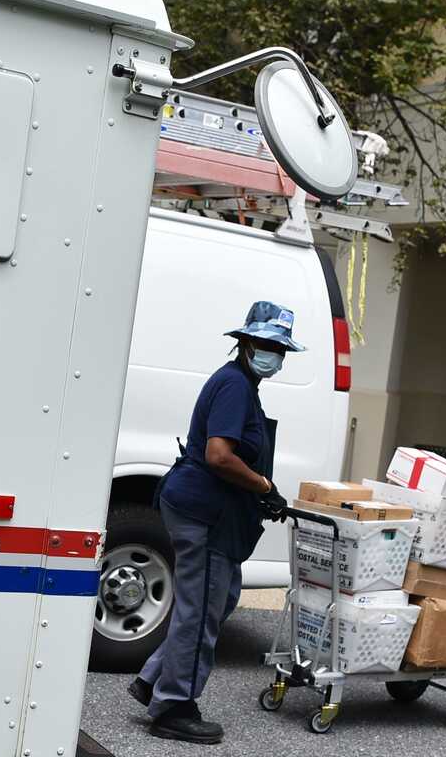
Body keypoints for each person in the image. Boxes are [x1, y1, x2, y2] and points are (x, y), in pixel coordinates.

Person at [127, 301, 300, 744]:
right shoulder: (234, 386)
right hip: (202, 511)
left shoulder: (244, 385)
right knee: (201, 609)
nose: (272, 355)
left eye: (279, 348)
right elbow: (219, 456)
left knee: (218, 601)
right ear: (244, 342)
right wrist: (263, 485)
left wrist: (262, 489)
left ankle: (152, 679)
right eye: (264, 345)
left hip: (210, 511)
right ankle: (173, 707)